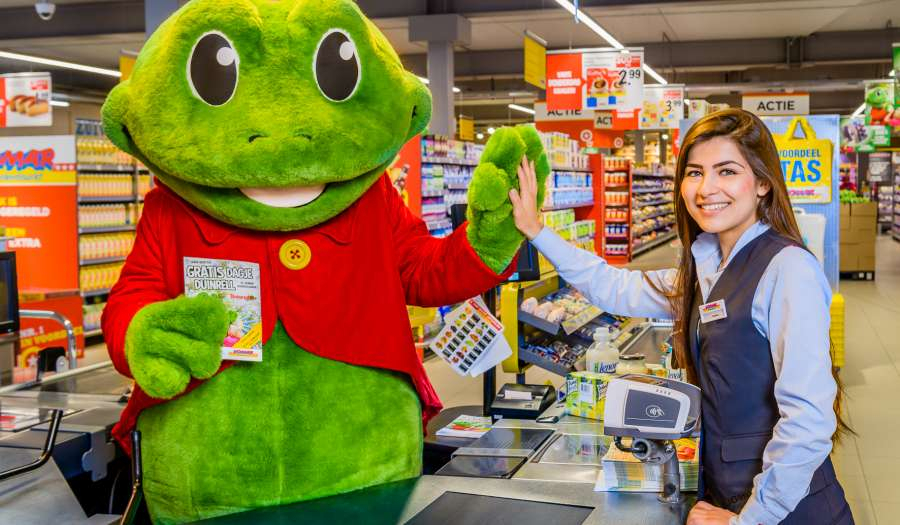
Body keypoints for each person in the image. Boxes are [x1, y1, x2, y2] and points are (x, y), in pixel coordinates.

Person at [508, 109, 853, 525]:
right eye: (694, 173)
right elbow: (614, 288)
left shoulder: (787, 268)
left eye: (726, 171)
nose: (707, 188)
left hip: (789, 510)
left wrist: (751, 520)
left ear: (763, 183)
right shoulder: (705, 269)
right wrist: (536, 229)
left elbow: (809, 418)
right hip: (727, 491)